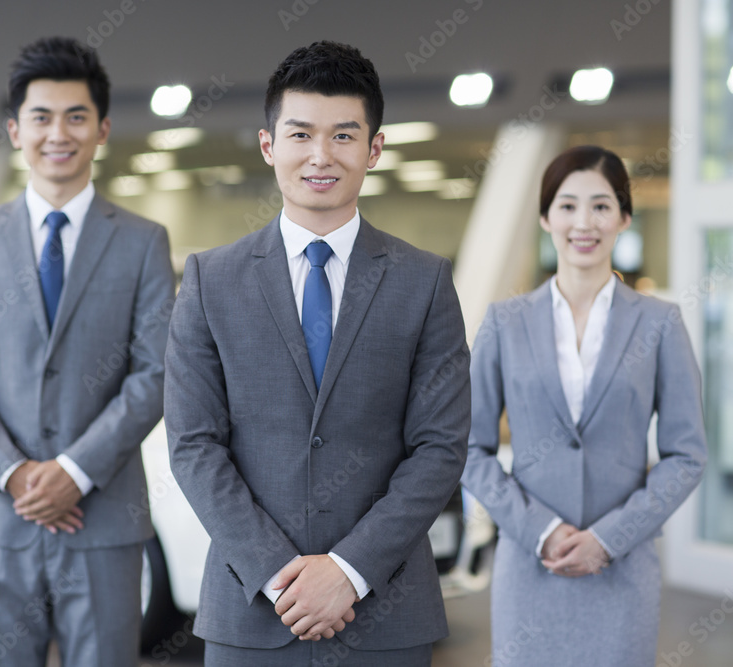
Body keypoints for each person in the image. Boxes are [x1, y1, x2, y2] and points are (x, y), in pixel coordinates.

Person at [164, 41, 470, 666]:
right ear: (268, 144)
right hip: (251, 609)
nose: (321, 156)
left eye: (344, 136)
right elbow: (193, 445)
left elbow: (440, 447)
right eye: (301, 134)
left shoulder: (424, 281)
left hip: (385, 613)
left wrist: (349, 571)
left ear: (375, 149)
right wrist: (279, 572)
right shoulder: (209, 280)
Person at [0, 36, 174, 666]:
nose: (57, 133)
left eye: (76, 116)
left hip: (104, 522)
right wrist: (16, 474)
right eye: (41, 117)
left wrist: (75, 471)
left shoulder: (144, 243)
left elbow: (155, 373)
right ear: (15, 130)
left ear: (102, 129)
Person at [461, 145, 708, 666]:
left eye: (600, 205)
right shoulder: (505, 323)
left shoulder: (659, 324)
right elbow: (468, 446)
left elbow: (687, 454)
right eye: (568, 205)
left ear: (623, 217)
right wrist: (540, 531)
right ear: (547, 216)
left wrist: (608, 537)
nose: (584, 222)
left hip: (620, 570)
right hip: (529, 568)